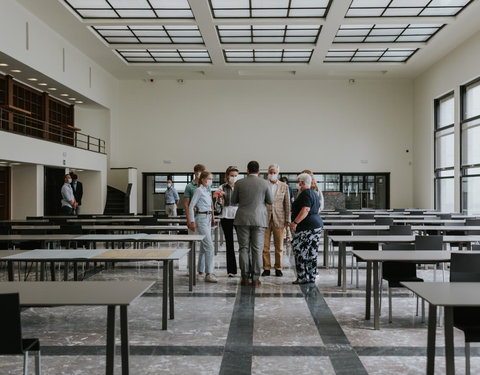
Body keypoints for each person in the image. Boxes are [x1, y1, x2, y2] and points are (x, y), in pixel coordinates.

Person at [232, 161, 273, 287]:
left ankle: (244, 277)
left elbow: (233, 201)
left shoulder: (239, 183)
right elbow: (270, 201)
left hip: (242, 219)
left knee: (243, 248)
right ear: (259, 171)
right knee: (257, 250)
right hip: (259, 220)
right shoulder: (265, 183)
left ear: (247, 170)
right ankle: (255, 278)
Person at [290, 173, 323, 284]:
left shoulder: (305, 193)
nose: (297, 184)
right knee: (311, 252)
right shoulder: (314, 193)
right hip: (316, 225)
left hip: (306, 227)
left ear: (302, 183)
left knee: (300, 252)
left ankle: (302, 277)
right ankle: (311, 275)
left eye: (298, 182)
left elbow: (305, 210)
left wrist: (295, 222)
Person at [262, 164, 290, 277]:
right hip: (265, 219)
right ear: (268, 173)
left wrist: (288, 219)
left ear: (278, 173)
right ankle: (266, 268)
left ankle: (278, 267)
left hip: (279, 219)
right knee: (265, 247)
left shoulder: (284, 186)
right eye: (270, 172)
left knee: (279, 247)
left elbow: (287, 204)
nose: (272, 174)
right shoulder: (263, 185)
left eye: (274, 172)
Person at [189, 171, 217, 283]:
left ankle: (200, 270)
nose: (211, 180)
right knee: (209, 246)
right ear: (203, 179)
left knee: (203, 247)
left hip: (208, 218)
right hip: (201, 218)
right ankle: (209, 273)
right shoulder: (198, 190)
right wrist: (192, 221)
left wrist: (212, 218)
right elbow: (191, 206)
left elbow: (210, 205)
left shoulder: (207, 191)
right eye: (209, 178)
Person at [214, 166, 239, 277]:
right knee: (229, 244)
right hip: (226, 217)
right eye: (231, 175)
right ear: (227, 176)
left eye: (235, 176)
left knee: (243, 244)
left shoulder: (239, 187)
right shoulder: (222, 187)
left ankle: (245, 269)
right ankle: (231, 270)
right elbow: (218, 206)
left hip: (239, 216)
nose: (233, 178)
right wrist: (219, 200)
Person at [185, 164, 206, 231]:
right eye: (198, 171)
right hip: (193, 216)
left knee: (205, 239)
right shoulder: (189, 186)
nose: (200, 173)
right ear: (195, 172)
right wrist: (189, 220)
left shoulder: (206, 186)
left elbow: (210, 202)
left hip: (204, 217)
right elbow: (186, 204)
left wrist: (212, 217)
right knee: (193, 238)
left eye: (202, 171)